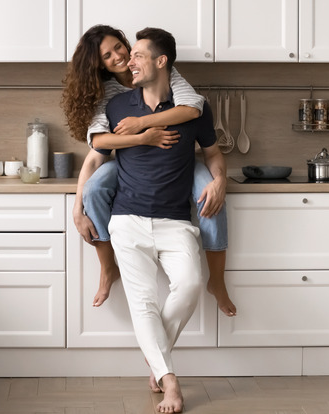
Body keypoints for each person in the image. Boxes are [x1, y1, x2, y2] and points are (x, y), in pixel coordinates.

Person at [61, 25, 236, 317]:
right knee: (93, 189)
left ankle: (216, 280)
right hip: (129, 159)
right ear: (99, 65)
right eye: (107, 55)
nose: (119, 57)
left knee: (212, 195)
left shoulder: (164, 71)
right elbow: (98, 145)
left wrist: (143, 123)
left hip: (178, 159)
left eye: (119, 47)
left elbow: (193, 108)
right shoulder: (109, 96)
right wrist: (77, 209)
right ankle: (107, 267)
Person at [102, 27, 226, 413]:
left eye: (138, 55)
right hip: (127, 218)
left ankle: (156, 360)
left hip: (175, 220)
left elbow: (213, 152)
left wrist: (219, 180)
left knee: (191, 284)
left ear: (161, 61)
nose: (129, 62)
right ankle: (171, 383)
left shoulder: (192, 107)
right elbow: (97, 149)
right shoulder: (117, 106)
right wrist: (81, 197)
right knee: (143, 301)